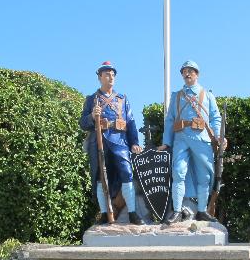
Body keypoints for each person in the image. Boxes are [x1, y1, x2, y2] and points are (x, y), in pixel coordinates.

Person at [157, 60, 225, 224]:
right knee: (178, 172)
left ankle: (201, 210)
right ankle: (177, 210)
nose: (187, 74)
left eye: (190, 71)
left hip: (201, 138)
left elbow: (215, 118)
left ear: (197, 74)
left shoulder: (207, 95)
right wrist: (167, 142)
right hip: (181, 138)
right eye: (184, 71)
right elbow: (170, 120)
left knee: (204, 175)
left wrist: (218, 136)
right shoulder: (177, 96)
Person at [80, 61, 143, 225]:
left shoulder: (122, 99)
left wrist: (134, 142)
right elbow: (83, 123)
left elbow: (130, 122)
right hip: (99, 141)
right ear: (100, 77)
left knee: (127, 173)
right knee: (100, 178)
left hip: (120, 141)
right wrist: (92, 116)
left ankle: (132, 213)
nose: (111, 77)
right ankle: (104, 213)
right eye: (107, 74)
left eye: (113, 74)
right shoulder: (91, 99)